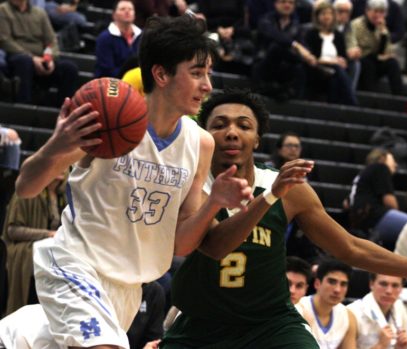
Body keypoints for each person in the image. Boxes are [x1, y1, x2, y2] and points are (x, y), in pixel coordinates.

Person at [161, 89, 407, 349]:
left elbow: (352, 248)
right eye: (219, 124)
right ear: (206, 135)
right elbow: (215, 245)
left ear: (257, 139)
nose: (231, 132)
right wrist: (270, 197)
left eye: (243, 125)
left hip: (269, 324)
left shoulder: (290, 190)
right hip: (202, 322)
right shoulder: (192, 186)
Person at [14, 15, 255, 349]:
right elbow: (25, 186)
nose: (208, 86)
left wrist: (214, 201)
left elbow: (181, 246)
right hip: (74, 265)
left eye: (208, 73)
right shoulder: (109, 118)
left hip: (130, 287)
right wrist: (58, 144)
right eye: (197, 73)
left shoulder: (200, 144)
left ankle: (14, 335)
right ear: (161, 74)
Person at [2, 172, 67, 315]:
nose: (62, 169)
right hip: (25, 248)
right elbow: (12, 230)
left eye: (65, 165)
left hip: (53, 251)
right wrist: (48, 234)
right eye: (58, 164)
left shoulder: (64, 197)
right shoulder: (27, 193)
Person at [0, 0, 79, 106]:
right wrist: (32, 58)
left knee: (70, 68)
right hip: (16, 57)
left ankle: (64, 110)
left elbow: (52, 41)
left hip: (42, 58)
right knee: (24, 61)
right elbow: (5, 40)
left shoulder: (40, 13)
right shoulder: (3, 10)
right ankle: (23, 107)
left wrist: (49, 58)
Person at [347, 148, 407, 248]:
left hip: (361, 222)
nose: (396, 165)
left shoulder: (361, 175)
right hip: (376, 218)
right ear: (382, 158)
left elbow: (346, 203)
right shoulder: (380, 167)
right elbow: (390, 202)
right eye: (393, 160)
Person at [253, 0, 315, 99]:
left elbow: (304, 47)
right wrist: (295, 45)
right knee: (277, 48)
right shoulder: (266, 20)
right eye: (283, 2)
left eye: (291, 3)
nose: (287, 5)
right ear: (276, 4)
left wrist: (308, 56)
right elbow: (275, 35)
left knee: (300, 66)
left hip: (285, 68)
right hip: (265, 66)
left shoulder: (297, 26)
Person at [303, 0, 357, 105]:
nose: (327, 17)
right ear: (317, 16)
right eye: (323, 14)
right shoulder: (311, 34)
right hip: (317, 70)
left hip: (335, 72)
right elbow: (312, 58)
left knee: (336, 77)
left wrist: (342, 61)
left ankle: (334, 107)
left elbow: (343, 56)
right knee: (337, 70)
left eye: (329, 14)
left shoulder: (338, 35)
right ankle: (352, 102)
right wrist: (333, 62)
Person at [295, 258, 357, 349]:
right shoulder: (299, 311)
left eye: (343, 284)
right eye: (332, 282)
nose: (337, 290)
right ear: (317, 284)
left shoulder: (348, 316)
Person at [351, 0, 403, 95]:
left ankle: (399, 94)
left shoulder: (383, 27)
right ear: (367, 11)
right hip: (362, 60)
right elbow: (356, 48)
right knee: (368, 63)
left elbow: (387, 51)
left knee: (393, 63)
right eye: (375, 11)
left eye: (382, 12)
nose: (378, 15)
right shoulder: (356, 25)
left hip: (376, 60)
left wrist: (383, 34)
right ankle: (370, 96)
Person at [347, 273, 407, 349]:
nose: (389, 291)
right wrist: (380, 346)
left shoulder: (401, 308)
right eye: (383, 284)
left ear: (401, 288)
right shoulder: (352, 312)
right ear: (371, 284)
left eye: (395, 285)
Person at [95, 0, 142, 78]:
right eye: (122, 9)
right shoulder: (104, 38)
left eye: (130, 9)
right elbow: (107, 70)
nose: (127, 11)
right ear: (114, 15)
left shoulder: (142, 36)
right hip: (110, 83)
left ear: (135, 14)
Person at [334, 0, 362, 91]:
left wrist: (354, 51)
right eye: (341, 11)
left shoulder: (349, 27)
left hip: (343, 57)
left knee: (355, 64)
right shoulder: (328, 24)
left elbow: (352, 44)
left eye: (347, 12)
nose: (344, 14)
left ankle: (350, 93)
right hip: (328, 57)